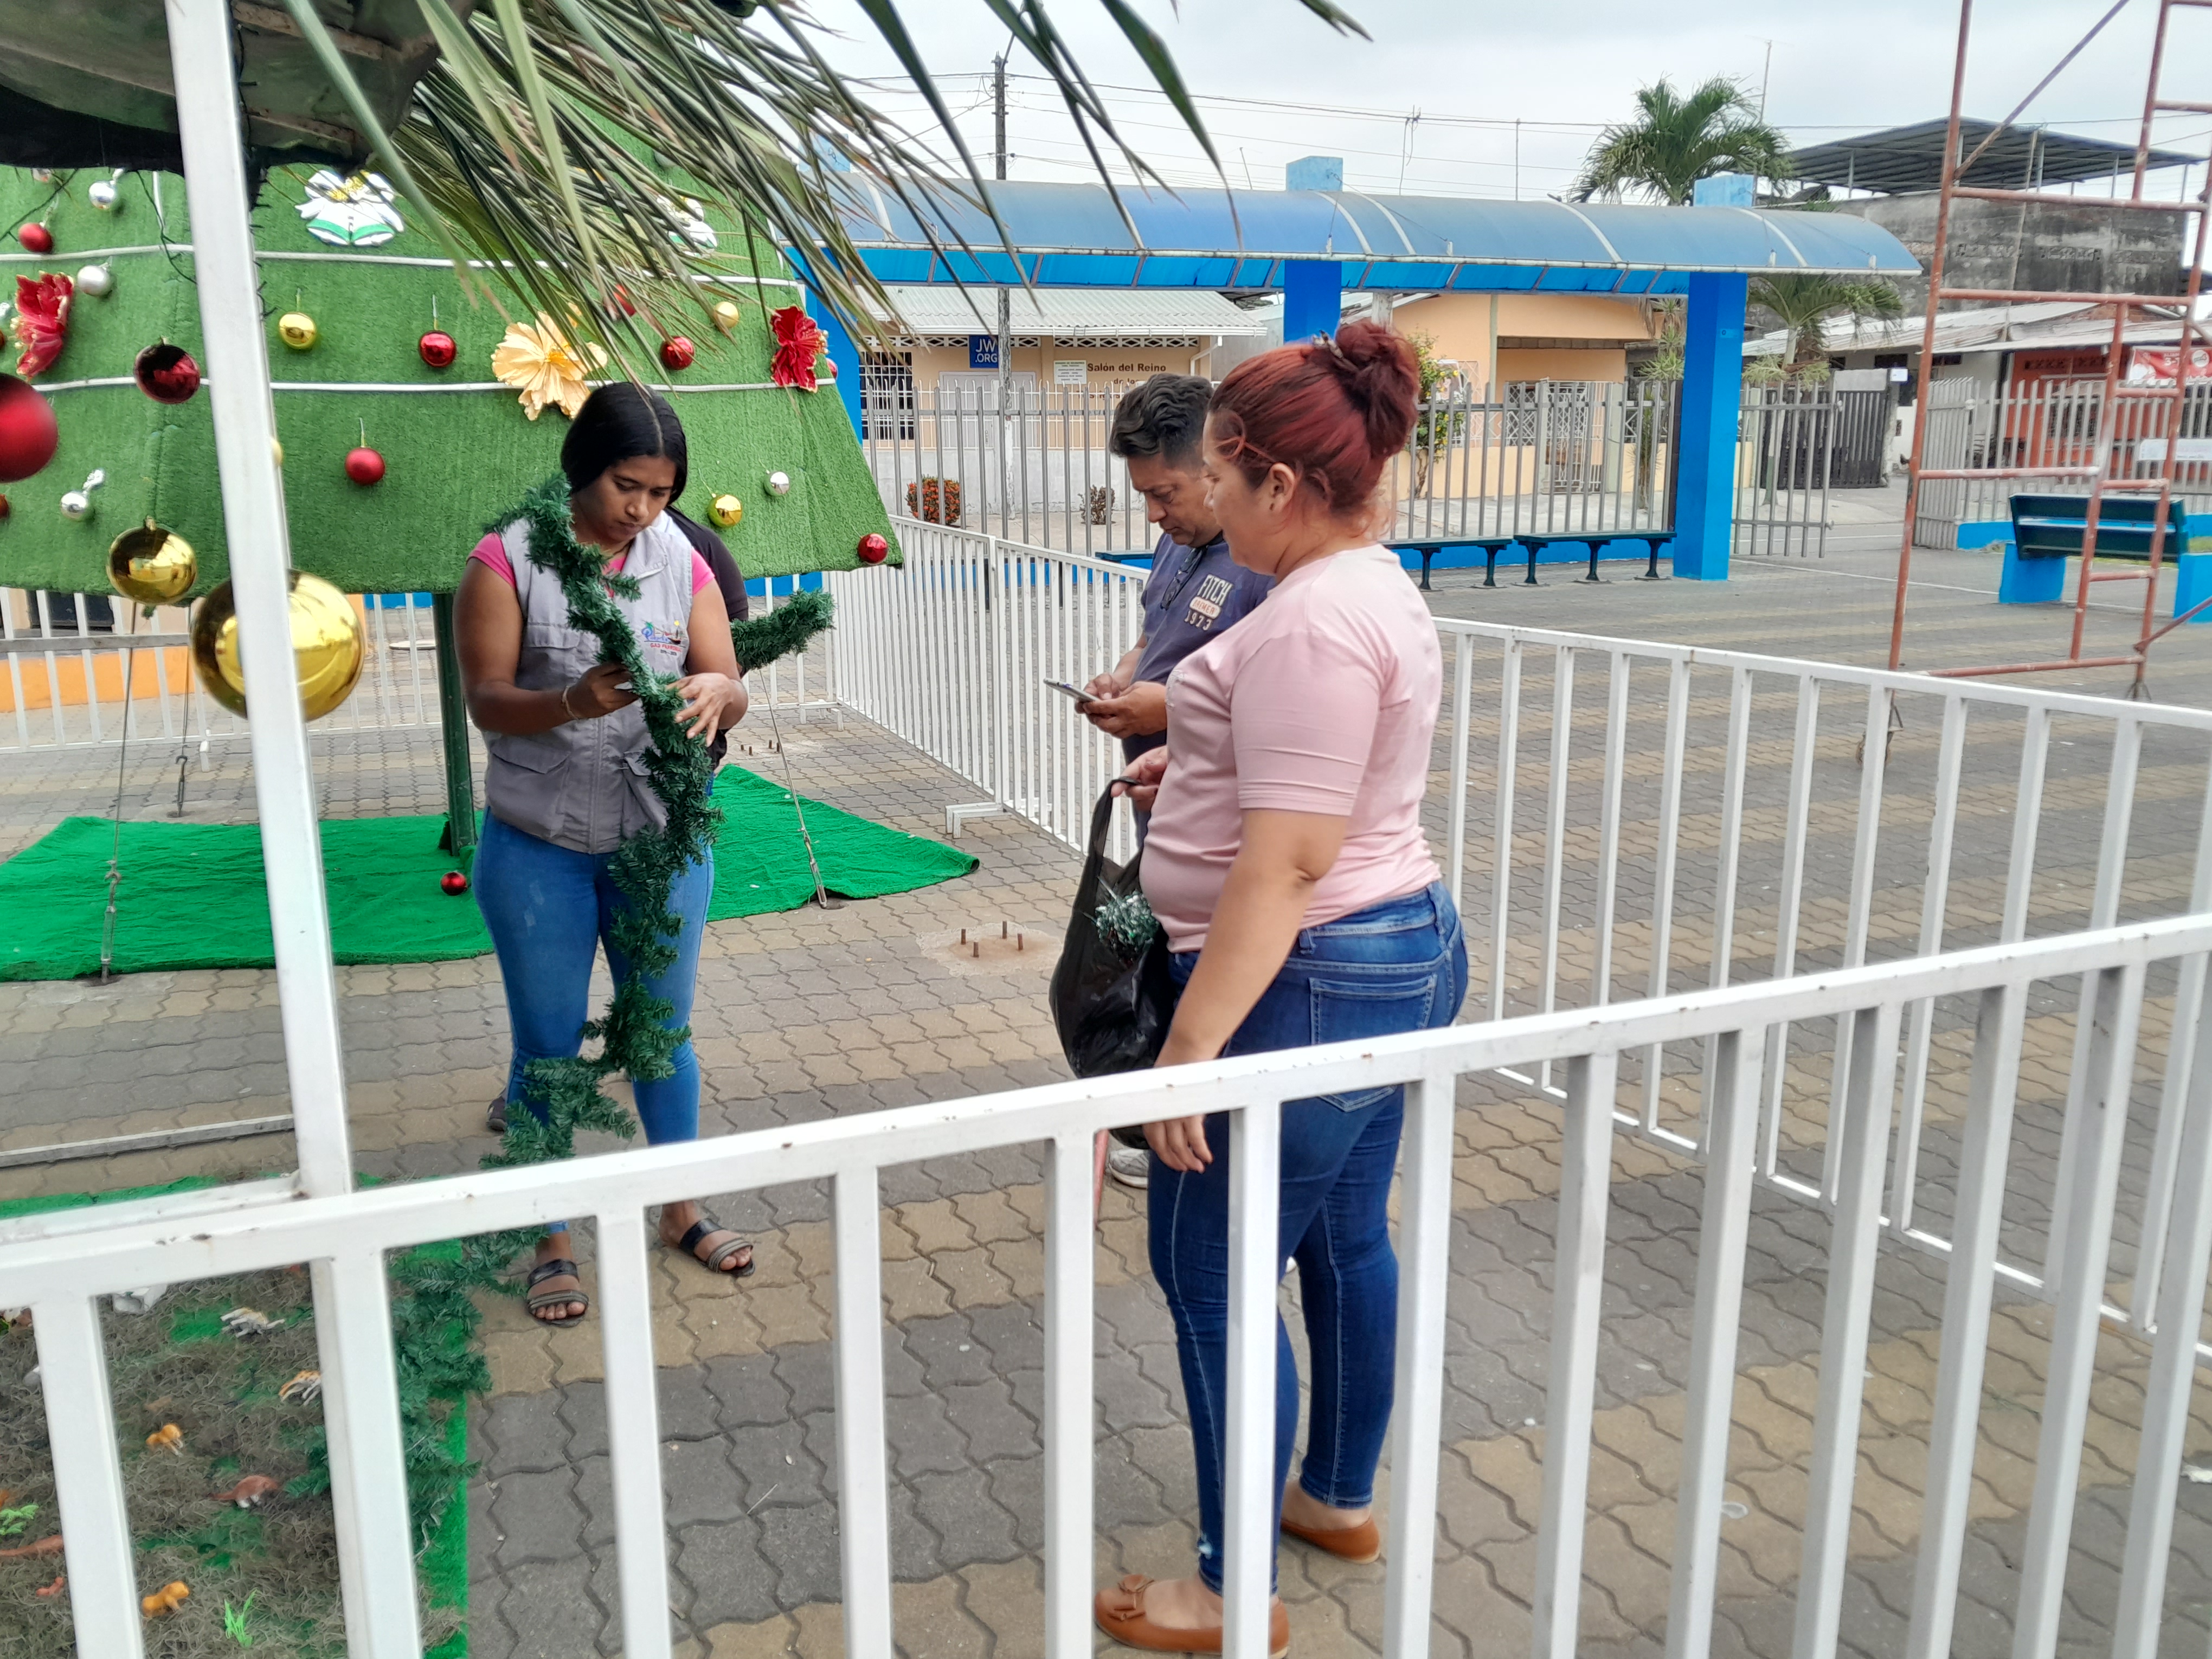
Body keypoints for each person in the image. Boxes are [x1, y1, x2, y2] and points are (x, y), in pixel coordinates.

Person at [1091, 321, 1468, 1656]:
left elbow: (1292, 858)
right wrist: (1190, 763)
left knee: (1212, 1273)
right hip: (1383, 949)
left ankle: (1227, 1593)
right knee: (1342, 1235)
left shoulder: (1311, 620)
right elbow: (1310, 782)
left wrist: (1187, 1055)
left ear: (1281, 483)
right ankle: (1334, 1499)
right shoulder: (1367, 586)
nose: (1206, 501)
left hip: (1308, 975)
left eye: (1218, 476)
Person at [455, 383, 756, 1327]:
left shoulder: (681, 558)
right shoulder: (507, 558)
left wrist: (720, 694)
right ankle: (549, 1236)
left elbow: (727, 678)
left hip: (660, 839)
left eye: (662, 493)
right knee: (547, 1047)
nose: (643, 510)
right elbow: (486, 699)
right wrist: (570, 702)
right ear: (583, 466)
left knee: (660, 1032)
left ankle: (680, 1206)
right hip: (537, 845)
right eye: (628, 486)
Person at [1081, 373, 1273, 1193]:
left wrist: (1169, 708)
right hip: (1162, 792)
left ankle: (1212, 1143)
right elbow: (1155, 633)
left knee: (1221, 976)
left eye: (1167, 494)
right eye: (1146, 497)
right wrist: (1127, 676)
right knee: (1169, 963)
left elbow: (1270, 703)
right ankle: (1180, 1120)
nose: (1156, 515)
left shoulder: (1266, 563)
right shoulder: (1179, 541)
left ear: (1218, 465)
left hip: (1225, 822)